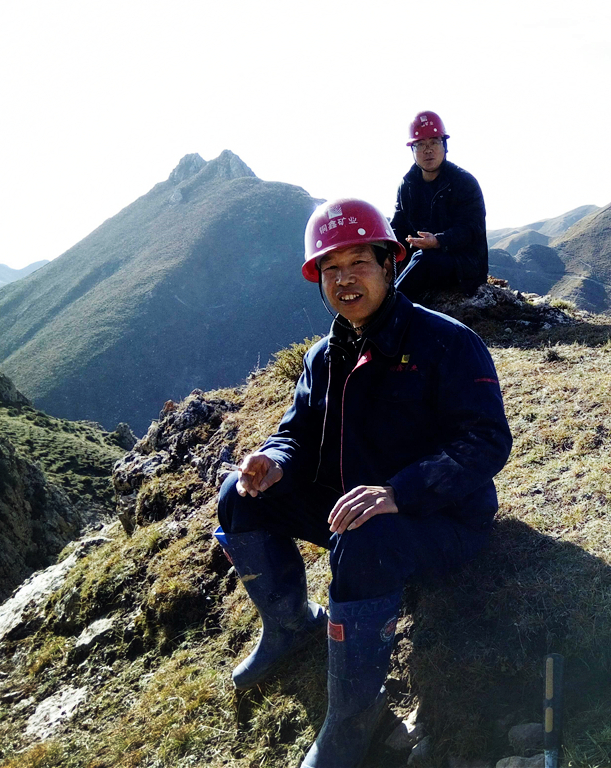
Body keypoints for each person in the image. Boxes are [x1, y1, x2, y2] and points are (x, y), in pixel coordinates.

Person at [214, 197, 511, 768]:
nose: (344, 279)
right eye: (330, 268)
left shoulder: (447, 343)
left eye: (359, 263)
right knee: (238, 495)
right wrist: (273, 461)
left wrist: (400, 492)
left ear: (388, 263)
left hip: (441, 518)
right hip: (354, 507)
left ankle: (356, 716)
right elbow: (297, 432)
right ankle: (291, 625)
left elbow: (485, 442)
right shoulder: (323, 357)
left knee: (365, 538)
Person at [391, 110, 489, 299]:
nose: (428, 150)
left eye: (434, 142)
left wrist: (438, 241)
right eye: (420, 144)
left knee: (424, 259)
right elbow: (398, 227)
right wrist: (390, 256)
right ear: (412, 150)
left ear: (444, 145)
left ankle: (388, 307)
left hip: (464, 263)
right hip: (420, 258)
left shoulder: (464, 182)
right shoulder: (407, 185)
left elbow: (470, 229)